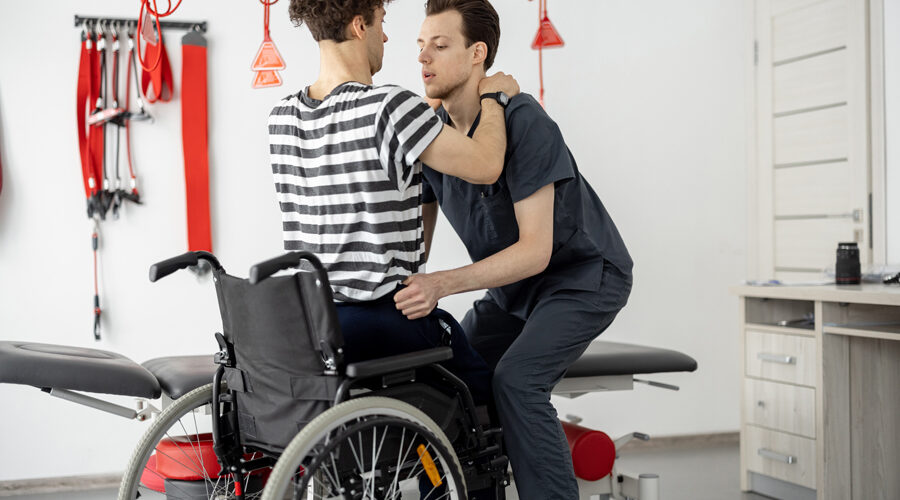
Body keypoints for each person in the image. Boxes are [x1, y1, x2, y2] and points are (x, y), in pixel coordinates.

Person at [393, 1, 634, 498]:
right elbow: (417, 246)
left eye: (439, 46)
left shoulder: (524, 121)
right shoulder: (434, 138)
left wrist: (442, 284)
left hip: (581, 278)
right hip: (513, 291)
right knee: (446, 379)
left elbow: (535, 252)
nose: (423, 58)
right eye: (420, 46)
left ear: (477, 53)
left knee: (517, 381)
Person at [269, 0, 519, 405]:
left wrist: (420, 113)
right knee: (493, 397)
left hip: (311, 324)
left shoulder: (281, 118)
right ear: (358, 26)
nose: (386, 36)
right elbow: (488, 164)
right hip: (385, 320)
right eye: (381, 22)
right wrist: (493, 98)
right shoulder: (389, 106)